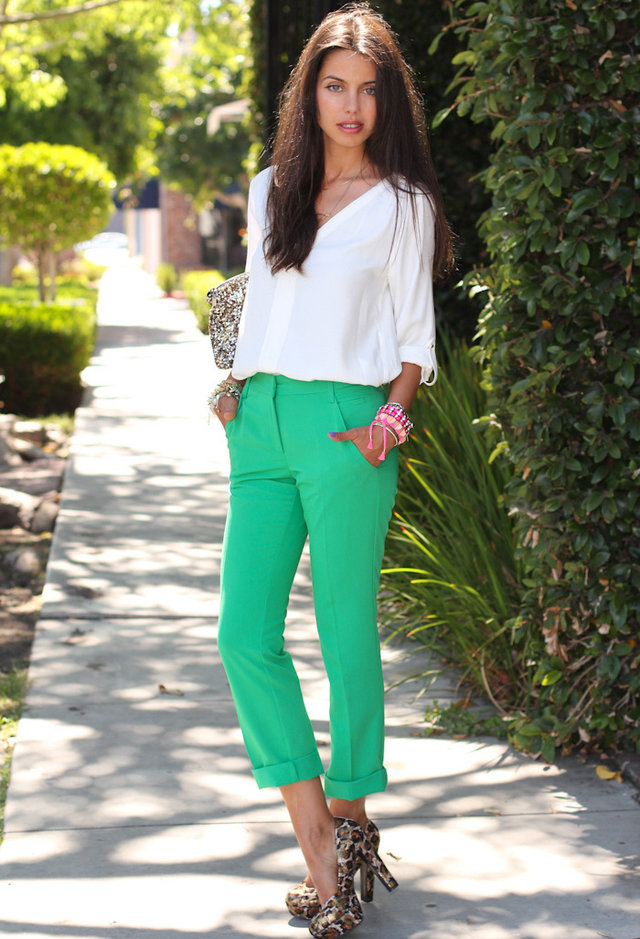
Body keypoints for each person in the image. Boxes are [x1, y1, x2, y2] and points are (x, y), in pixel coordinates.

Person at [211, 3, 452, 935]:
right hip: (261, 424)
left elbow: (414, 341)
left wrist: (389, 421)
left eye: (367, 90)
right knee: (243, 634)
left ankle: (350, 821)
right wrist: (234, 384)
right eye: (334, 85)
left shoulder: (405, 206)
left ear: (387, 102)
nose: (350, 105)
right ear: (309, 91)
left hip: (352, 425)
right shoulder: (272, 186)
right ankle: (320, 838)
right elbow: (264, 306)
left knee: (346, 633)